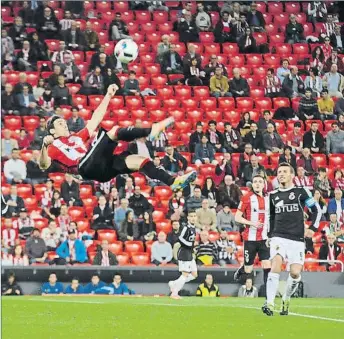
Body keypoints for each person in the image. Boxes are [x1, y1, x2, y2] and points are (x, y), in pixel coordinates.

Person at [39, 85, 195, 190]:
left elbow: (95, 119)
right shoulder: (54, 145)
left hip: (101, 170)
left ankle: (173, 182)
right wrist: (44, 147)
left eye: (63, 121)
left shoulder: (76, 137)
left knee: (138, 160)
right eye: (60, 123)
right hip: (85, 167)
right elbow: (44, 165)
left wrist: (108, 95)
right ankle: (151, 130)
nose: (64, 124)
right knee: (113, 131)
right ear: (52, 131)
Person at [263, 163, 321, 316]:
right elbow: (271, 217)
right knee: (275, 263)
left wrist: (312, 229)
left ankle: (286, 298)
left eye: (284, 172)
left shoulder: (301, 192)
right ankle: (269, 303)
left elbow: (316, 210)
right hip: (278, 236)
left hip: (296, 238)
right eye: (279, 172)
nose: (281, 174)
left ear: (292, 175)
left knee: (295, 273)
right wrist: (269, 235)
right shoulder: (273, 195)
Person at [234, 175, 271, 288]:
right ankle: (243, 268)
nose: (258, 184)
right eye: (255, 182)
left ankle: (268, 292)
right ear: (252, 184)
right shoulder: (246, 198)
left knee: (267, 265)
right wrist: (252, 223)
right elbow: (237, 217)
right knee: (248, 269)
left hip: (264, 238)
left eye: (260, 181)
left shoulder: (268, 198)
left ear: (264, 184)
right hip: (250, 238)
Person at [168, 211, 198, 299]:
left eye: (194, 216)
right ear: (188, 218)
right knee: (185, 274)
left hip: (190, 253)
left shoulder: (193, 228)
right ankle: (174, 293)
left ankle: (174, 283)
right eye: (191, 216)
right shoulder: (186, 227)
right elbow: (180, 239)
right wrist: (190, 245)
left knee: (194, 274)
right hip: (184, 253)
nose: (193, 218)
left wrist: (192, 248)